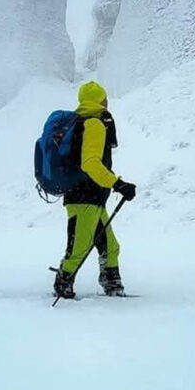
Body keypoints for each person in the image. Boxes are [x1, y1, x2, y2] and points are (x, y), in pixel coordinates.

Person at [53, 81, 136, 299]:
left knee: (110, 245)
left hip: (91, 197)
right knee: (79, 246)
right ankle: (63, 283)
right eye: (105, 98)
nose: (107, 102)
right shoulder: (94, 124)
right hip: (84, 196)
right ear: (99, 100)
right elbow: (90, 162)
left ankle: (112, 283)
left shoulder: (84, 122)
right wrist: (118, 184)